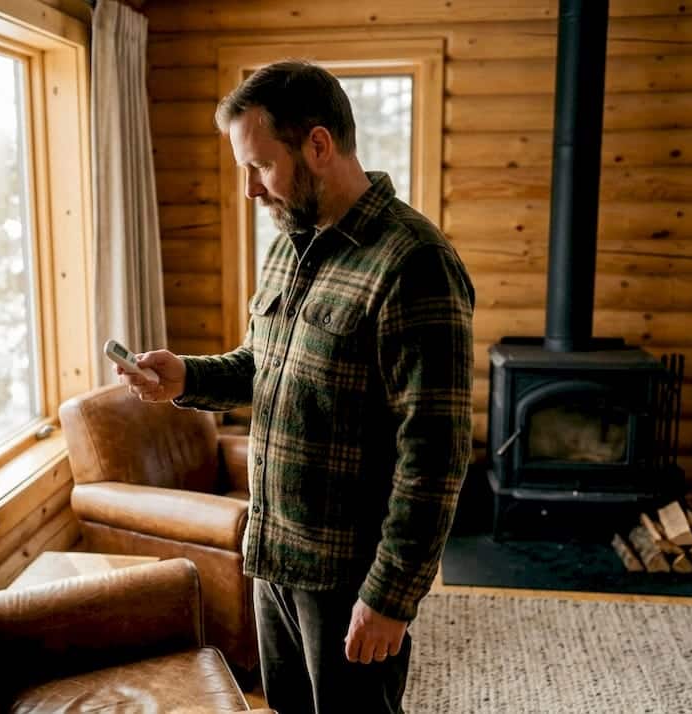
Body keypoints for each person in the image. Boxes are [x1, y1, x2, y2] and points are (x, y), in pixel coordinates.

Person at [117, 60, 474, 714]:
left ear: (318, 145)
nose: (251, 190)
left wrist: (391, 597)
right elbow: (263, 365)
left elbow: (436, 455)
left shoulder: (413, 262)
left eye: (259, 167)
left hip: (348, 576)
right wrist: (185, 378)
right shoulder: (288, 245)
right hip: (274, 555)